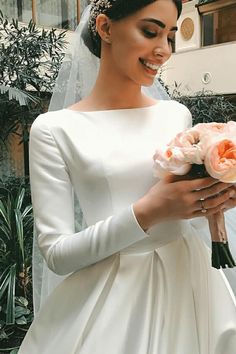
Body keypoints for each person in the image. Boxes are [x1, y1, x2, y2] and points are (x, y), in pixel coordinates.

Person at [19, 1, 236, 353]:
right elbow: (57, 254)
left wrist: (215, 197)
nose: (163, 50)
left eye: (170, 36)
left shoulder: (175, 115)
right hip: (110, 297)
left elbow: (189, 214)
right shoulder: (54, 129)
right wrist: (148, 211)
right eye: (150, 32)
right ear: (105, 28)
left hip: (189, 286)